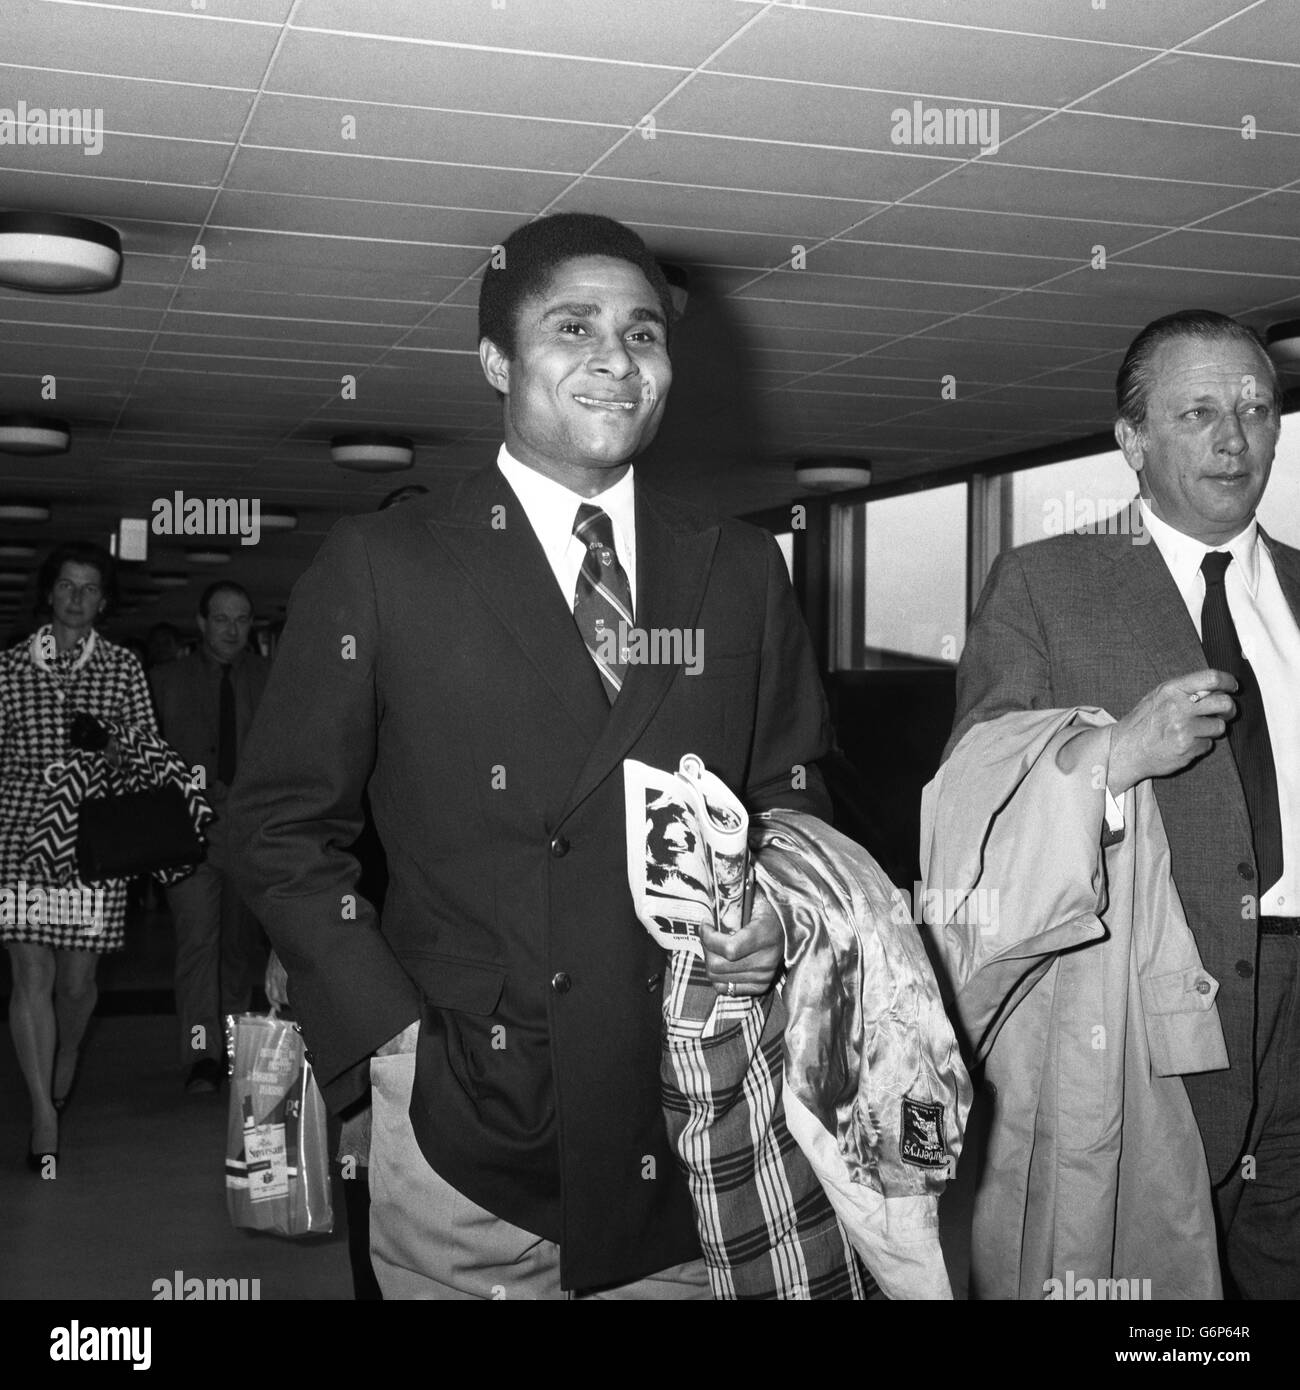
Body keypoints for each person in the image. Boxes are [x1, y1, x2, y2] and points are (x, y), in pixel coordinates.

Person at [229, 211, 835, 1299]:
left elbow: (790, 783)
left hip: (690, 1099)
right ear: (497, 361)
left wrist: (778, 914)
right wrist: (391, 1036)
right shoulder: (387, 561)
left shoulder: (739, 566)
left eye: (644, 335)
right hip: (471, 1107)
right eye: (574, 327)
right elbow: (276, 826)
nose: (616, 358)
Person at [946, 308, 1297, 1298]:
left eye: (1257, 408)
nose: (1236, 436)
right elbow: (974, 811)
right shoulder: (1045, 584)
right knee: (1156, 1283)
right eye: (1197, 413)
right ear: (1131, 441)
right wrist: (1112, 756)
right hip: (1145, 1004)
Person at [0, 542, 160, 1170]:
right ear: (49, 593)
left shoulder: (122, 668)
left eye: (89, 588)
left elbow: (147, 751)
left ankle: (65, 1057)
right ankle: (43, 1112)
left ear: (103, 601)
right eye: (67, 585)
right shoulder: (10, 667)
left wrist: (116, 748)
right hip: (20, 835)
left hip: (94, 841)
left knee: (76, 984)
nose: (76, 597)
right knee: (30, 977)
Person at [150, 581, 270, 1093]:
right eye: (221, 618)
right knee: (199, 944)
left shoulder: (270, 679)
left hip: (248, 833)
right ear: (201, 623)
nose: (231, 629)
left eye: (241, 619)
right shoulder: (163, 681)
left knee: (240, 949)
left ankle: (235, 1052)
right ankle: (201, 1056)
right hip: (187, 832)